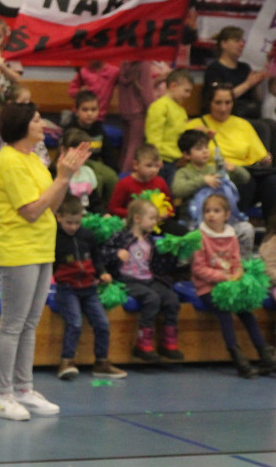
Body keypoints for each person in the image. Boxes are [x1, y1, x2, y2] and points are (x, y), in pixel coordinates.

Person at [0, 102, 91, 421]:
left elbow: (52, 205)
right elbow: (30, 211)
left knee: (30, 323)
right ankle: (1, 394)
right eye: (35, 119)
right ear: (21, 125)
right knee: (13, 323)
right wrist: (63, 176)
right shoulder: (8, 162)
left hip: (42, 248)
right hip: (18, 249)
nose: (42, 123)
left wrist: (63, 178)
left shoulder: (34, 160)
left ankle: (23, 388)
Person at [190, 194, 274, 377]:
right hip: (207, 287)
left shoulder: (231, 236)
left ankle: (265, 355)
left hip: (230, 284)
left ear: (227, 215)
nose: (211, 215)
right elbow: (198, 269)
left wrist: (238, 273)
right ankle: (237, 357)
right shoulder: (199, 237)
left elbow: (237, 262)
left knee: (246, 312)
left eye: (216, 211)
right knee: (224, 311)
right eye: (207, 211)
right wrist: (223, 277)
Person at [53, 195, 126, 381]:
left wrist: (102, 272)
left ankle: (102, 362)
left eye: (77, 222)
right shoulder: (53, 237)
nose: (73, 227)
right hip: (66, 289)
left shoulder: (87, 235)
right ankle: (66, 361)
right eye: (69, 222)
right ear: (58, 217)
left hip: (89, 288)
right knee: (75, 323)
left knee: (103, 324)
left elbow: (96, 258)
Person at [101, 199, 182, 364]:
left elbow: (158, 266)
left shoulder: (150, 240)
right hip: (127, 280)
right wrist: (116, 253)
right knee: (151, 299)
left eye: (155, 219)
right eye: (151, 218)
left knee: (172, 299)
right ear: (137, 218)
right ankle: (142, 343)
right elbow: (103, 252)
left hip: (148, 279)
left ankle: (168, 341)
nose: (155, 222)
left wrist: (171, 254)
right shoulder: (121, 236)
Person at [185, 82, 276, 220]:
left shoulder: (243, 124)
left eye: (228, 103)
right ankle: (237, 222)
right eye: (218, 103)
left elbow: (261, 156)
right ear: (209, 103)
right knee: (247, 180)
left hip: (248, 171)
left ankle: (272, 231)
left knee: (272, 181)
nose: (223, 108)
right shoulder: (196, 125)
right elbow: (185, 158)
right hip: (219, 177)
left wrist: (266, 159)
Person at [171, 129, 253, 257]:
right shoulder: (183, 172)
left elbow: (245, 178)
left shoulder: (215, 168)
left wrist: (235, 169)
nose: (205, 151)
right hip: (196, 224)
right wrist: (203, 180)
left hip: (223, 223)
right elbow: (177, 189)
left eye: (206, 147)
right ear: (186, 154)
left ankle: (242, 265)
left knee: (246, 229)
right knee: (194, 237)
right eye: (199, 148)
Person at [62, 89, 119, 205]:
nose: (89, 113)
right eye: (85, 109)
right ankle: (93, 206)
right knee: (97, 178)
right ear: (76, 111)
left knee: (112, 177)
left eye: (93, 110)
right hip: (77, 164)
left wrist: (114, 170)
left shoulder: (99, 128)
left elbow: (107, 152)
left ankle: (109, 206)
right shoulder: (71, 128)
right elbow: (64, 151)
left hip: (94, 164)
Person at [201, 26, 268, 119]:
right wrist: (247, 84)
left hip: (250, 113)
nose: (242, 44)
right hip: (226, 115)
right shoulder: (214, 69)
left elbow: (257, 98)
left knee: (271, 125)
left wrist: (257, 83)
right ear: (224, 44)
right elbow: (220, 99)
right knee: (263, 128)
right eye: (237, 41)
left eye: (242, 41)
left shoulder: (244, 68)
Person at [145, 68, 194, 185]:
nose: (189, 95)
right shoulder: (159, 106)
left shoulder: (180, 109)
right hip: (161, 161)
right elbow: (153, 134)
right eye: (186, 91)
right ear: (173, 85)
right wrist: (156, 158)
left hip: (174, 160)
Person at [108, 144, 171, 219]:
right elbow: (113, 209)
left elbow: (170, 207)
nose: (154, 170)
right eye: (149, 165)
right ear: (135, 165)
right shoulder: (124, 184)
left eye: (157, 166)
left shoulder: (160, 182)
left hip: (158, 222)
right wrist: (136, 214)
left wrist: (165, 213)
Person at [54, 128, 101, 214]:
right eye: (78, 151)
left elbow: (95, 202)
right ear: (63, 149)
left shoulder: (88, 172)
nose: (82, 155)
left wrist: (105, 214)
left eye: (86, 151)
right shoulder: (54, 173)